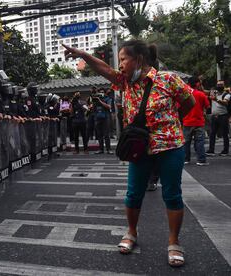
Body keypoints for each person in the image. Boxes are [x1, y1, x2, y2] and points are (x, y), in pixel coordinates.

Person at [63, 39, 195, 267]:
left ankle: (174, 242)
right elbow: (103, 69)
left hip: (170, 146)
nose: (120, 64)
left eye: (123, 59)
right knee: (133, 194)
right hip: (139, 148)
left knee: (172, 194)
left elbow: (189, 103)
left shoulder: (168, 80)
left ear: (139, 60)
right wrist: (83, 54)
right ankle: (131, 232)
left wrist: (170, 124)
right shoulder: (124, 82)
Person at [183, 76, 210, 165]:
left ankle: (186, 159)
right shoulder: (201, 94)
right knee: (199, 141)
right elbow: (207, 107)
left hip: (186, 122)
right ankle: (201, 160)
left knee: (186, 142)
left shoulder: (184, 94)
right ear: (197, 83)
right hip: (199, 122)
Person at [206, 81, 230, 156]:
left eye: (221, 85)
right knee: (212, 134)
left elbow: (225, 102)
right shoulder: (214, 93)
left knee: (225, 134)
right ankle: (211, 150)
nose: (219, 86)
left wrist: (216, 99)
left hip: (223, 116)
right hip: (214, 116)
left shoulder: (227, 95)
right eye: (218, 85)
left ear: (224, 86)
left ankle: (225, 151)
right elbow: (204, 91)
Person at [91, 87, 113, 154]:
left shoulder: (108, 98)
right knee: (99, 135)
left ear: (105, 93)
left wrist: (100, 101)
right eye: (100, 92)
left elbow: (109, 106)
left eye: (102, 92)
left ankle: (108, 149)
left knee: (106, 135)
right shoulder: (96, 99)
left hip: (105, 118)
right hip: (98, 118)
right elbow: (93, 109)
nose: (101, 93)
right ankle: (101, 149)